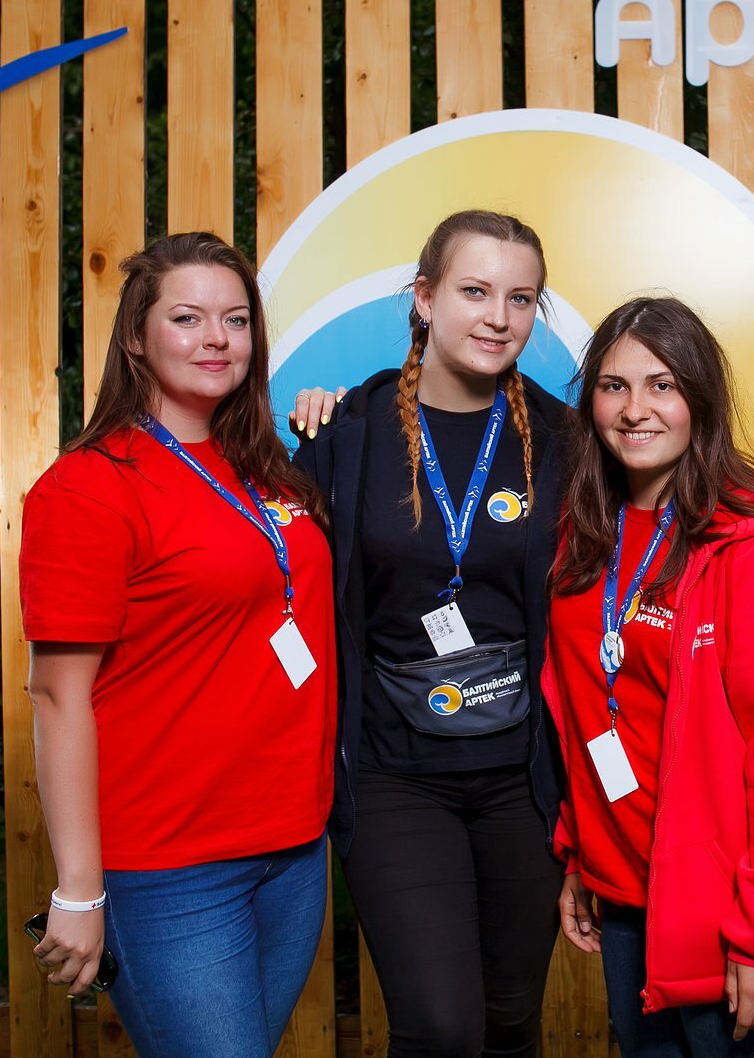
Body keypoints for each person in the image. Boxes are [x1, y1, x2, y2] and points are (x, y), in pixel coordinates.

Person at [18, 232, 335, 1056]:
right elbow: (56, 694)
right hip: (172, 864)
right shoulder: (89, 487)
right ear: (136, 336)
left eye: (236, 319)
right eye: (188, 318)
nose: (217, 338)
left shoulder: (265, 466)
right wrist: (80, 889)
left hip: (294, 849)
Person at [288, 209, 567, 1057]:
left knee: (511, 1020)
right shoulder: (348, 432)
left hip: (524, 779)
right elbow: (268, 569)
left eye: (520, 298)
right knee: (441, 1029)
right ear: (424, 297)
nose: (498, 317)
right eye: (474, 291)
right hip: (394, 777)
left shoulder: (567, 440)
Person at [543, 296, 754, 1058]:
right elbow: (584, 709)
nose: (635, 410)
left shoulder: (751, 547)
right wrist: (581, 854)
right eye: (614, 386)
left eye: (662, 385)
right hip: (623, 897)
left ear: (700, 398)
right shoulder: (586, 531)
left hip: (724, 916)